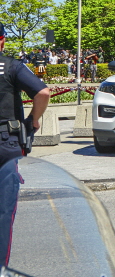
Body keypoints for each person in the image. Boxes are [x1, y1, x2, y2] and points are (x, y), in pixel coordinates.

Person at [0, 44, 52, 265]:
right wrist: (34, 119)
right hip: (4, 144)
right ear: (2, 41)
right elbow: (43, 92)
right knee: (3, 214)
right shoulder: (11, 66)